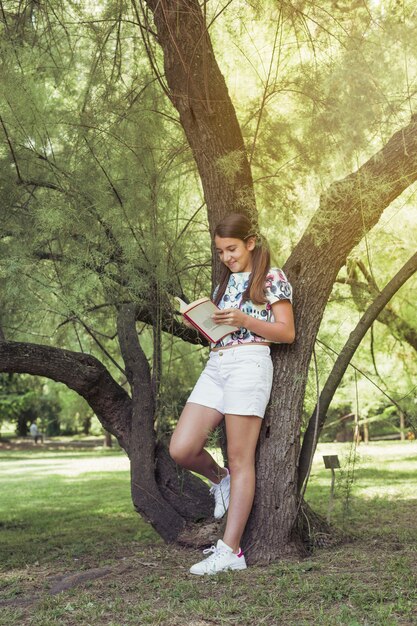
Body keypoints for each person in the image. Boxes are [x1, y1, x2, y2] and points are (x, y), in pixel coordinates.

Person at [169, 213, 295, 575]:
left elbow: (286, 332)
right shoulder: (226, 282)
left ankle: (231, 551)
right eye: (221, 251)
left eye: (232, 248)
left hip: (250, 365)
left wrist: (243, 320)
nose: (226, 256)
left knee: (243, 460)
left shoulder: (272, 277)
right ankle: (219, 479)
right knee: (182, 447)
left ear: (250, 243)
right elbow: (222, 330)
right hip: (218, 363)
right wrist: (202, 321)